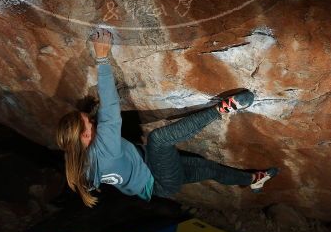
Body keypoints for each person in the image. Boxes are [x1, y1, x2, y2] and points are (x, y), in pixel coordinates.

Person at [56, 28, 278, 207]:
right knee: (158, 139)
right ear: (84, 135)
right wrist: (102, 58)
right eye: (91, 123)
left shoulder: (78, 158)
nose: (95, 122)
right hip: (158, 178)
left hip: (154, 181)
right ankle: (224, 108)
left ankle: (253, 180)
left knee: (208, 169)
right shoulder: (102, 151)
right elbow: (110, 107)